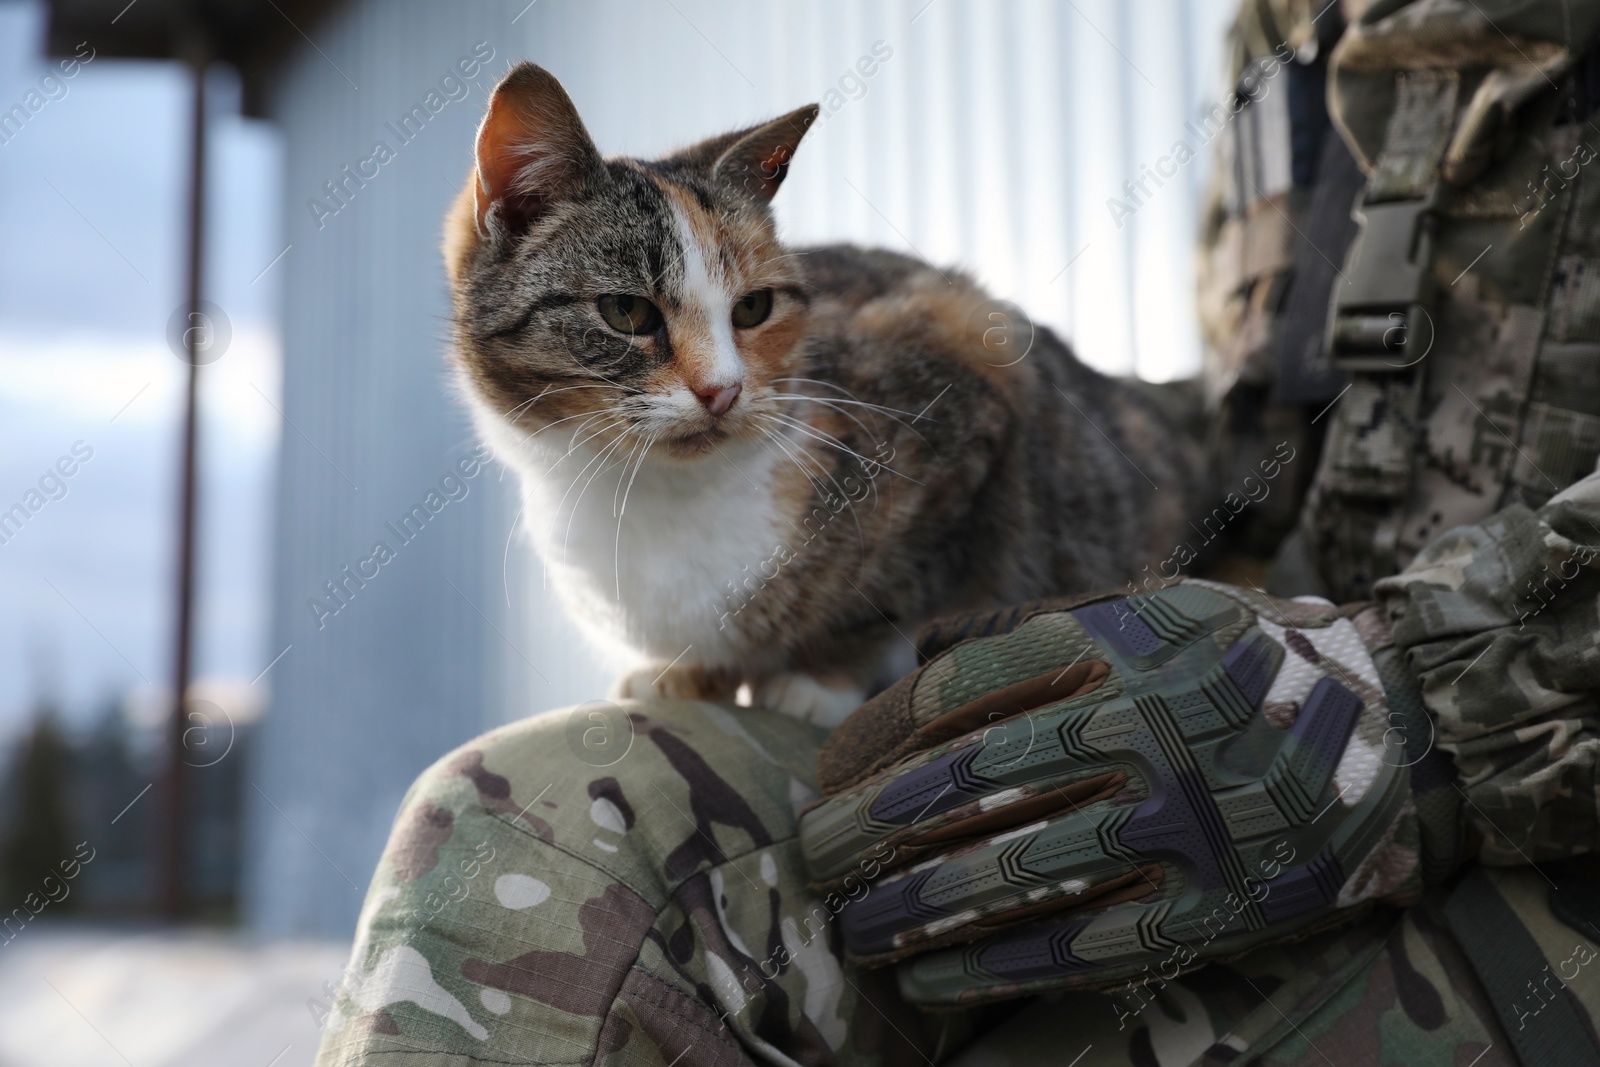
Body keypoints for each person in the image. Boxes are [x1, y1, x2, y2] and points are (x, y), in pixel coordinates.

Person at [313, 2, 1600, 1063]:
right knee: (516, 827)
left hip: (1535, 806)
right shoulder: (1297, 24)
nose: (714, 375)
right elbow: (1268, 436)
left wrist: (1401, 701)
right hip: (1246, 673)